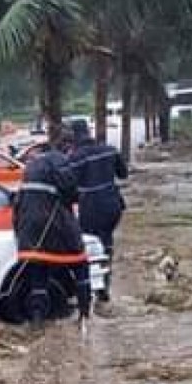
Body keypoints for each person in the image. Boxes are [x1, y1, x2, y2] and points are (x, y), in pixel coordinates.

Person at [11, 147, 92, 326]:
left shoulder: (30, 167)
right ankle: (85, 315)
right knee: (81, 264)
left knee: (38, 273)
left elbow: (18, 204)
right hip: (54, 226)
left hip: (29, 231)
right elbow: (71, 192)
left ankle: (37, 319)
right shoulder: (59, 161)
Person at [65, 117, 128, 301]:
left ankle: (94, 287)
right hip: (113, 207)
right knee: (106, 243)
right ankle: (105, 286)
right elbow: (123, 174)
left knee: (90, 247)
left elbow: (68, 186)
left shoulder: (74, 159)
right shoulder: (109, 150)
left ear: (74, 136)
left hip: (90, 209)